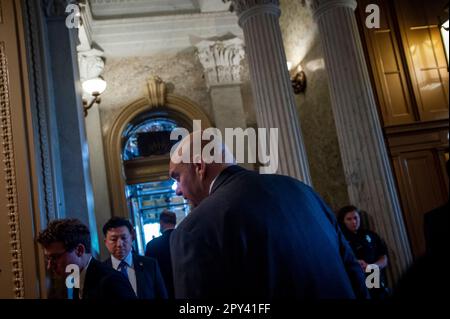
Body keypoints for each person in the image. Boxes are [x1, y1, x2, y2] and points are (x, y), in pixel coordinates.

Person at [168, 131, 369, 299]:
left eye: (177, 177)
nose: (177, 190)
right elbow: (353, 273)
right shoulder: (304, 191)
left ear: (200, 166)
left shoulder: (192, 231)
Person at [36, 218, 136, 300]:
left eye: (55, 257)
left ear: (79, 250)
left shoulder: (111, 282)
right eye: (48, 258)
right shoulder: (78, 277)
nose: (49, 266)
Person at [102, 217, 168, 299]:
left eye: (124, 238)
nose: (119, 244)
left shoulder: (150, 265)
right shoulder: (100, 272)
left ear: (132, 237)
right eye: (114, 239)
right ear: (106, 242)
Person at [337, 205, 389, 299]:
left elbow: (384, 259)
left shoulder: (371, 235)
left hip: (375, 281)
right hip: (355, 284)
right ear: (343, 221)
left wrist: (371, 266)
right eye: (349, 219)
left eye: (356, 218)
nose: (354, 222)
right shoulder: (341, 240)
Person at [145, 210, 177, 299]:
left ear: (161, 223)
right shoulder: (185, 239)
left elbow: (148, 272)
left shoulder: (152, 245)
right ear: (175, 222)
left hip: (163, 290)